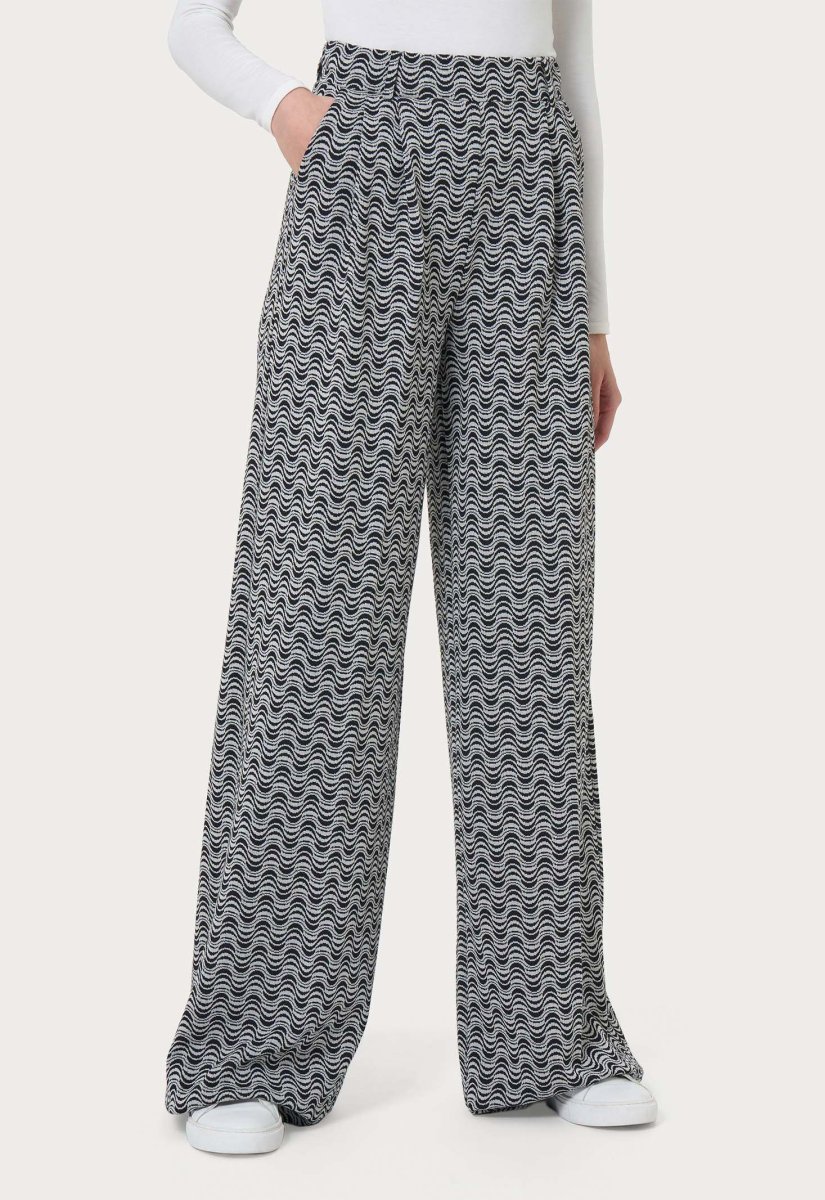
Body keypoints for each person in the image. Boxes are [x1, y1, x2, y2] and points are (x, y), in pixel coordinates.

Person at [164, 0, 656, 1155]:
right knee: (317, 627)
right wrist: (288, 110)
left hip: (530, 195)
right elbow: (192, 27)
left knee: (530, 639)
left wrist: (594, 315)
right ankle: (250, 1047)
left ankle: (550, 1034)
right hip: (364, 167)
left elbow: (575, 66)